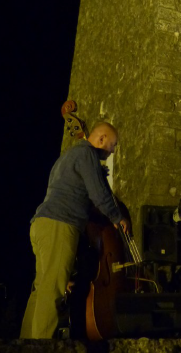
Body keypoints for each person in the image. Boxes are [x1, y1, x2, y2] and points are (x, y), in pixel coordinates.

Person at [21, 122, 130, 339]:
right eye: (113, 144)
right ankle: (43, 345)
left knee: (41, 287)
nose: (113, 151)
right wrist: (117, 217)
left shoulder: (67, 157)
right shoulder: (87, 154)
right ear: (101, 139)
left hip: (42, 224)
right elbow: (99, 194)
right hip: (60, 225)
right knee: (53, 289)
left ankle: (26, 343)